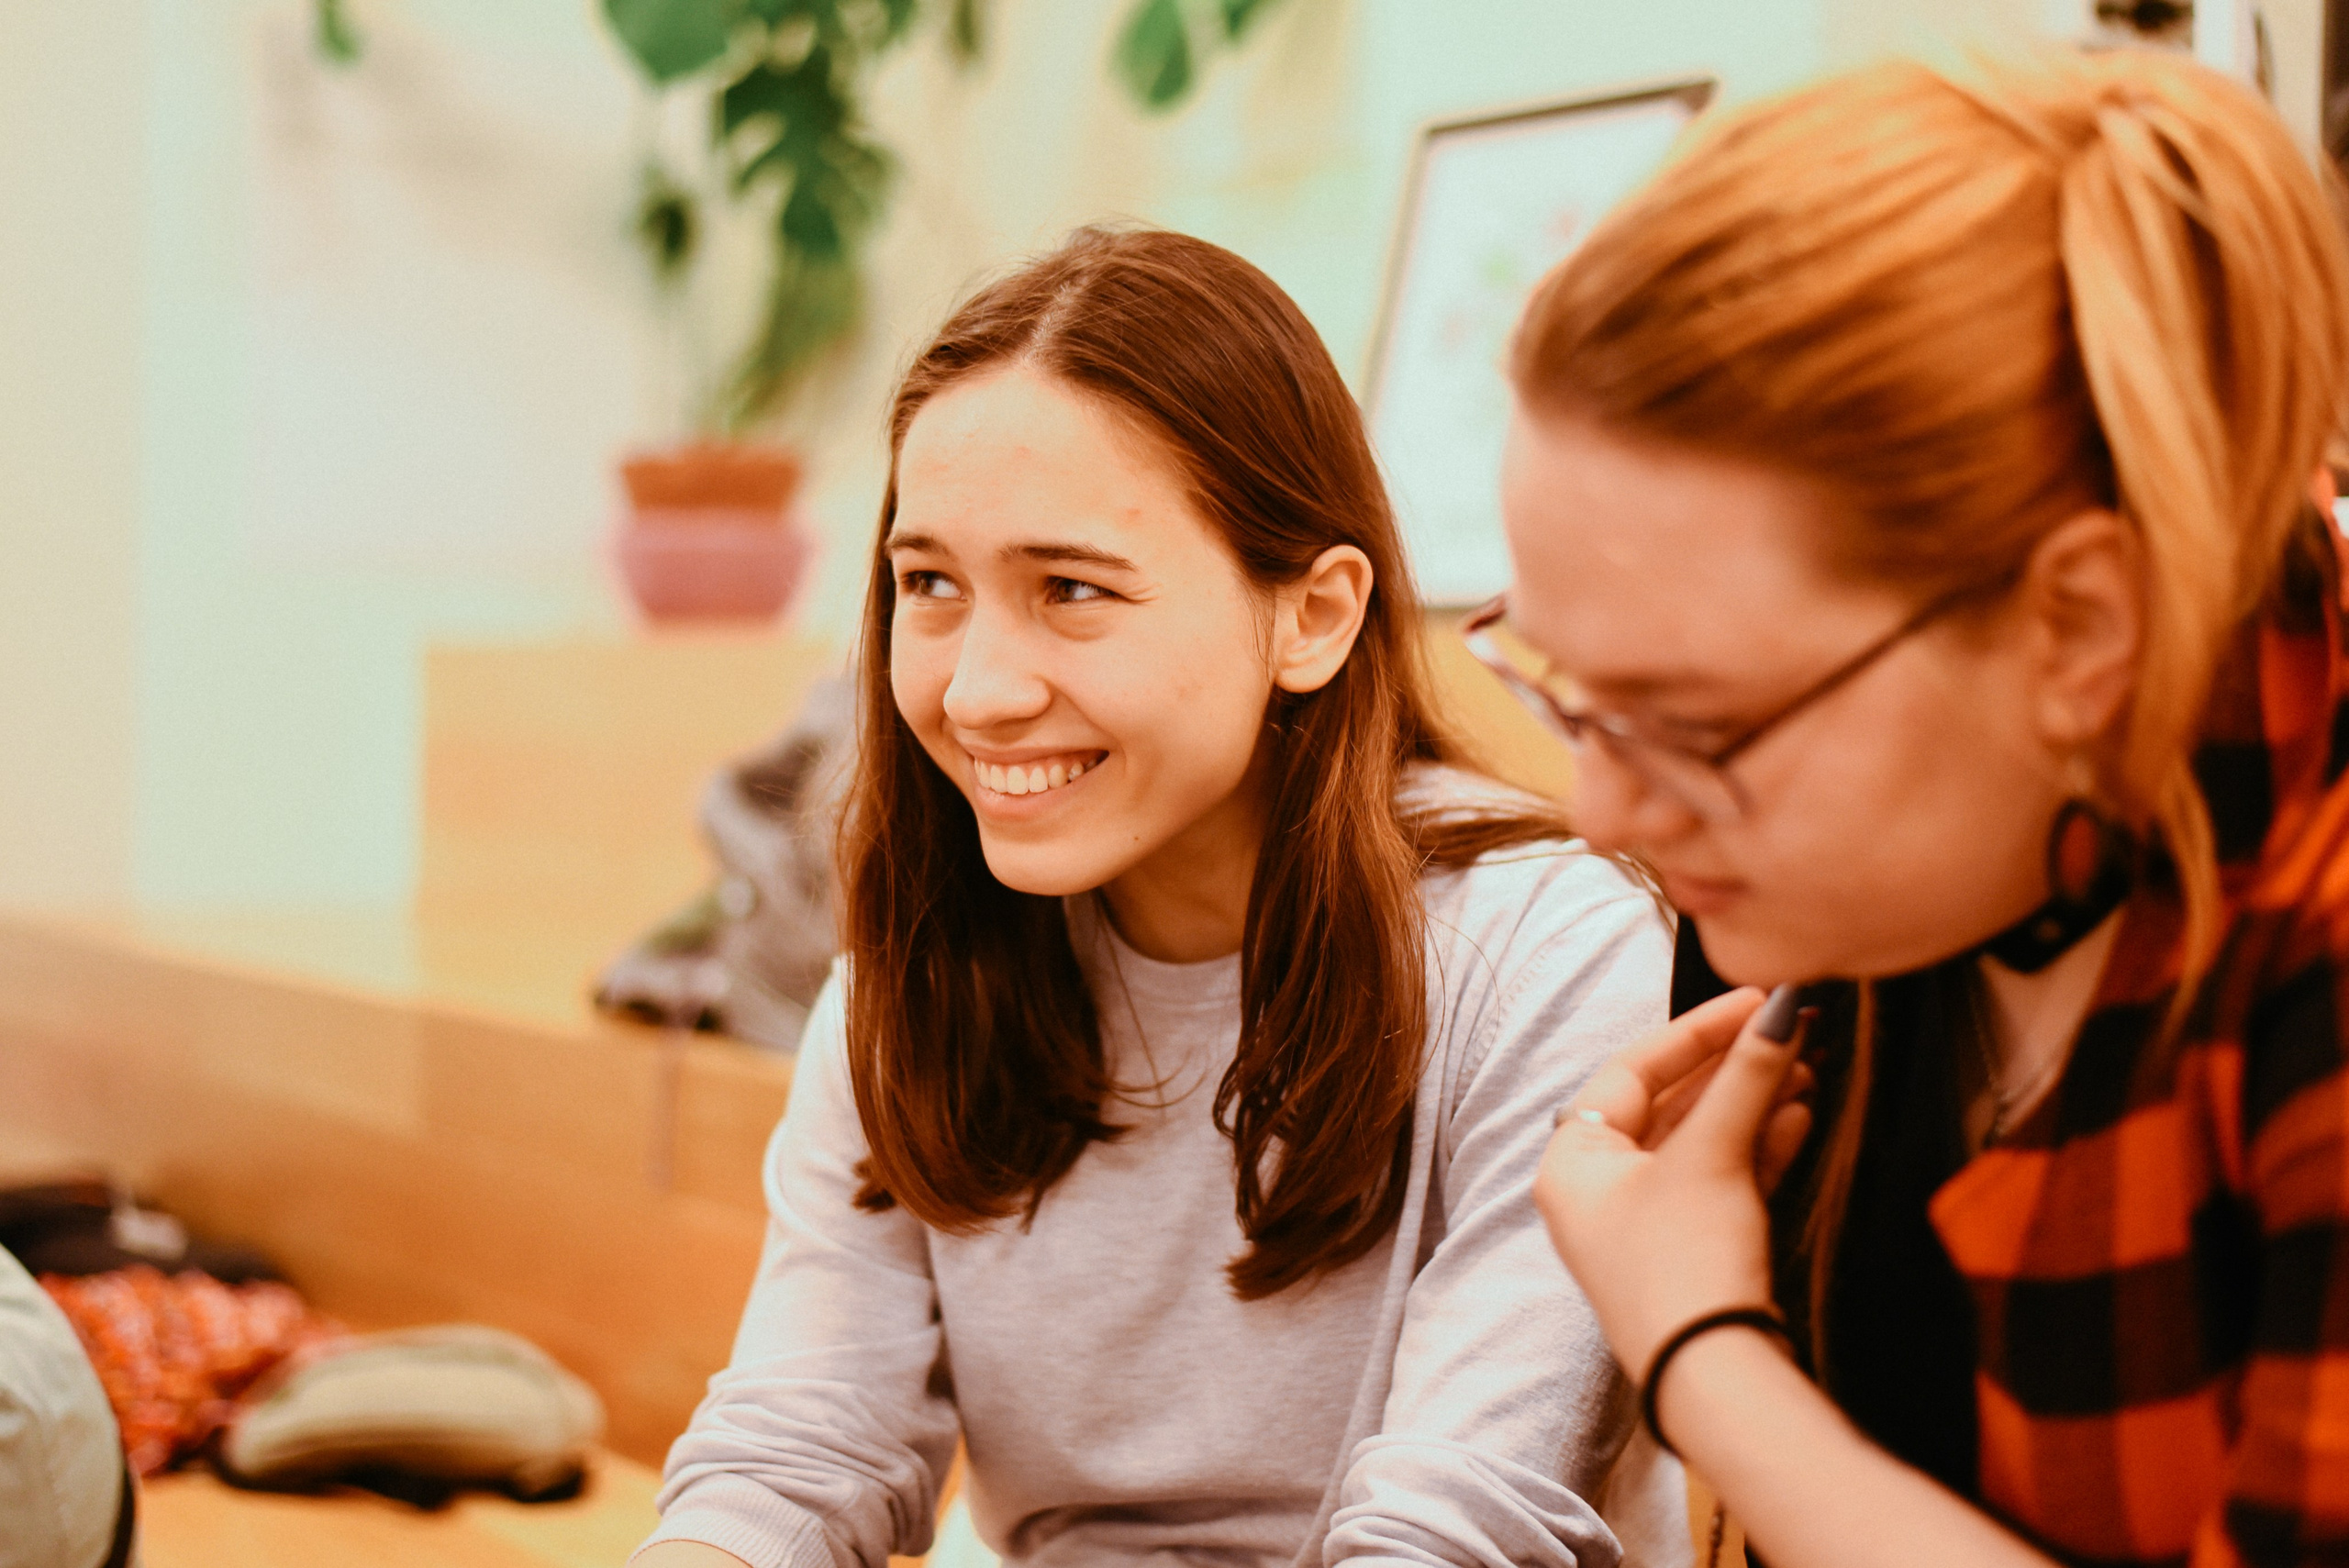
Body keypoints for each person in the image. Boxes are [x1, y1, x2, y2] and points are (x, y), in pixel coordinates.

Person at [629, 228, 1676, 1568]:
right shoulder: (914, 974)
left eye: (1071, 590)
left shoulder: (1552, 954)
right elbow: (797, 1454)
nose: (977, 688)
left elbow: (1454, 1533)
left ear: (1314, 615)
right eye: (930, 584)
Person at [1489, 49, 2349, 1568]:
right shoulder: (1865, 897)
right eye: (1567, 690)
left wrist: (1699, 1345)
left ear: (2079, 628)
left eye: (1694, 726)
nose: (1603, 803)